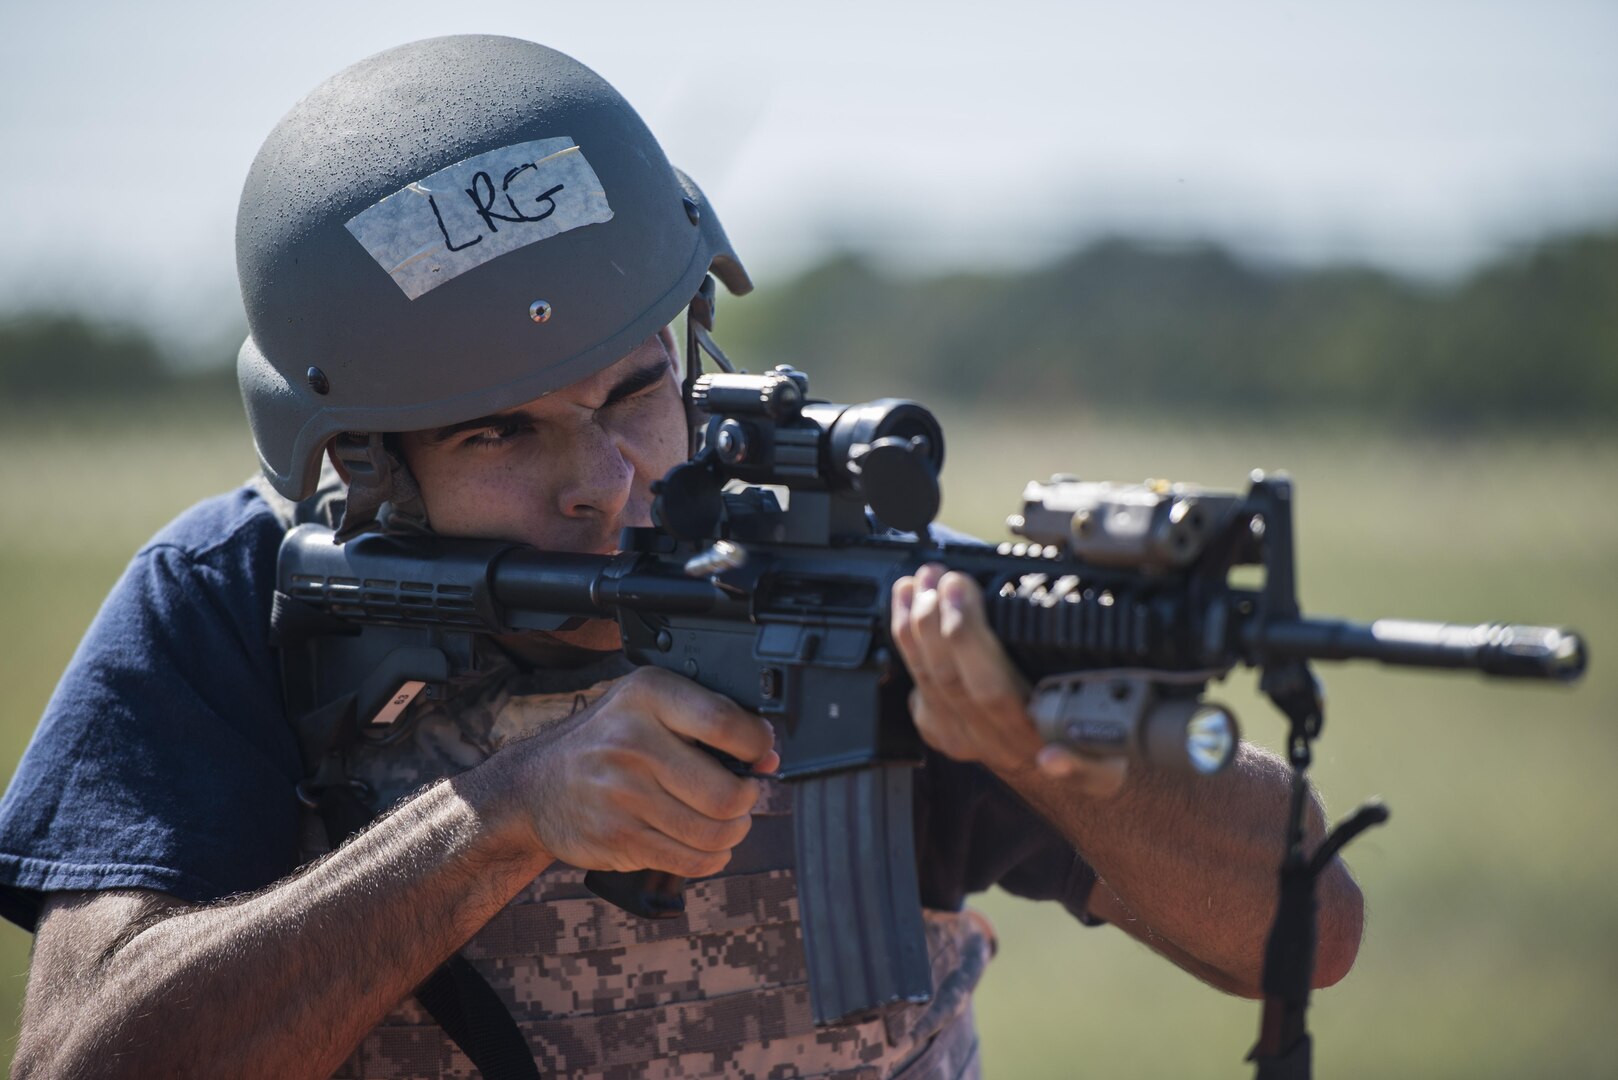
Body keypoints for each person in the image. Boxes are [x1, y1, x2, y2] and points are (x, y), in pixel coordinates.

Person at [0, 35, 1363, 1079]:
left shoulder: (845, 572)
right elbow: (80, 1059)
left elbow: (1308, 937)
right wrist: (497, 820)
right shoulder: (238, 596)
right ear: (356, 461)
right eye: (498, 434)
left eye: (631, 393)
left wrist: (1053, 755)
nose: (605, 485)